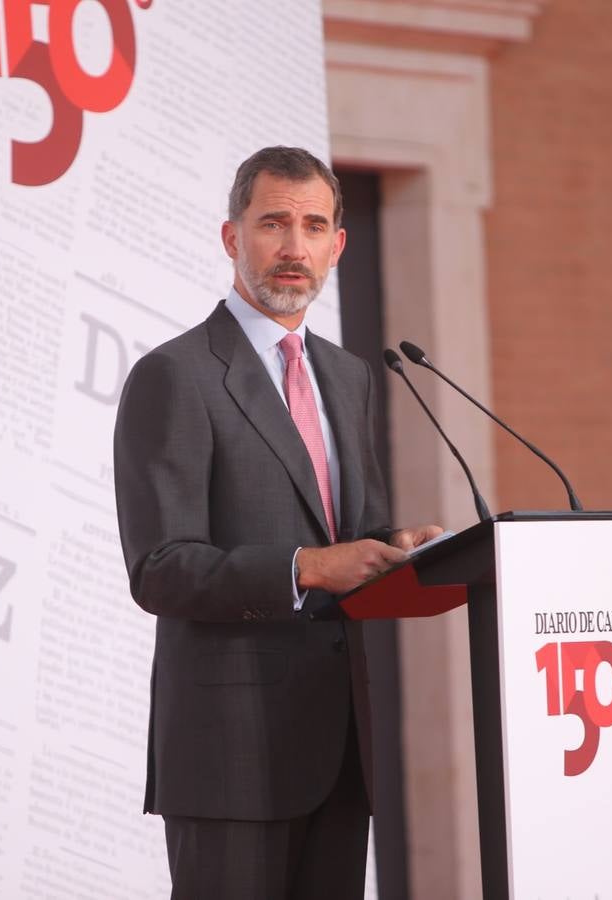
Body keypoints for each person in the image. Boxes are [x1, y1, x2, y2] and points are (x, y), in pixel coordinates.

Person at [113, 146, 442, 899]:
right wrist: (304, 568)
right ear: (233, 238)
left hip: (339, 748)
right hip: (231, 755)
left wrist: (400, 546)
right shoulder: (178, 375)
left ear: (338, 246)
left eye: (313, 225)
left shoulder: (349, 374)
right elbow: (159, 566)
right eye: (273, 224)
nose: (294, 247)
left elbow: (353, 526)